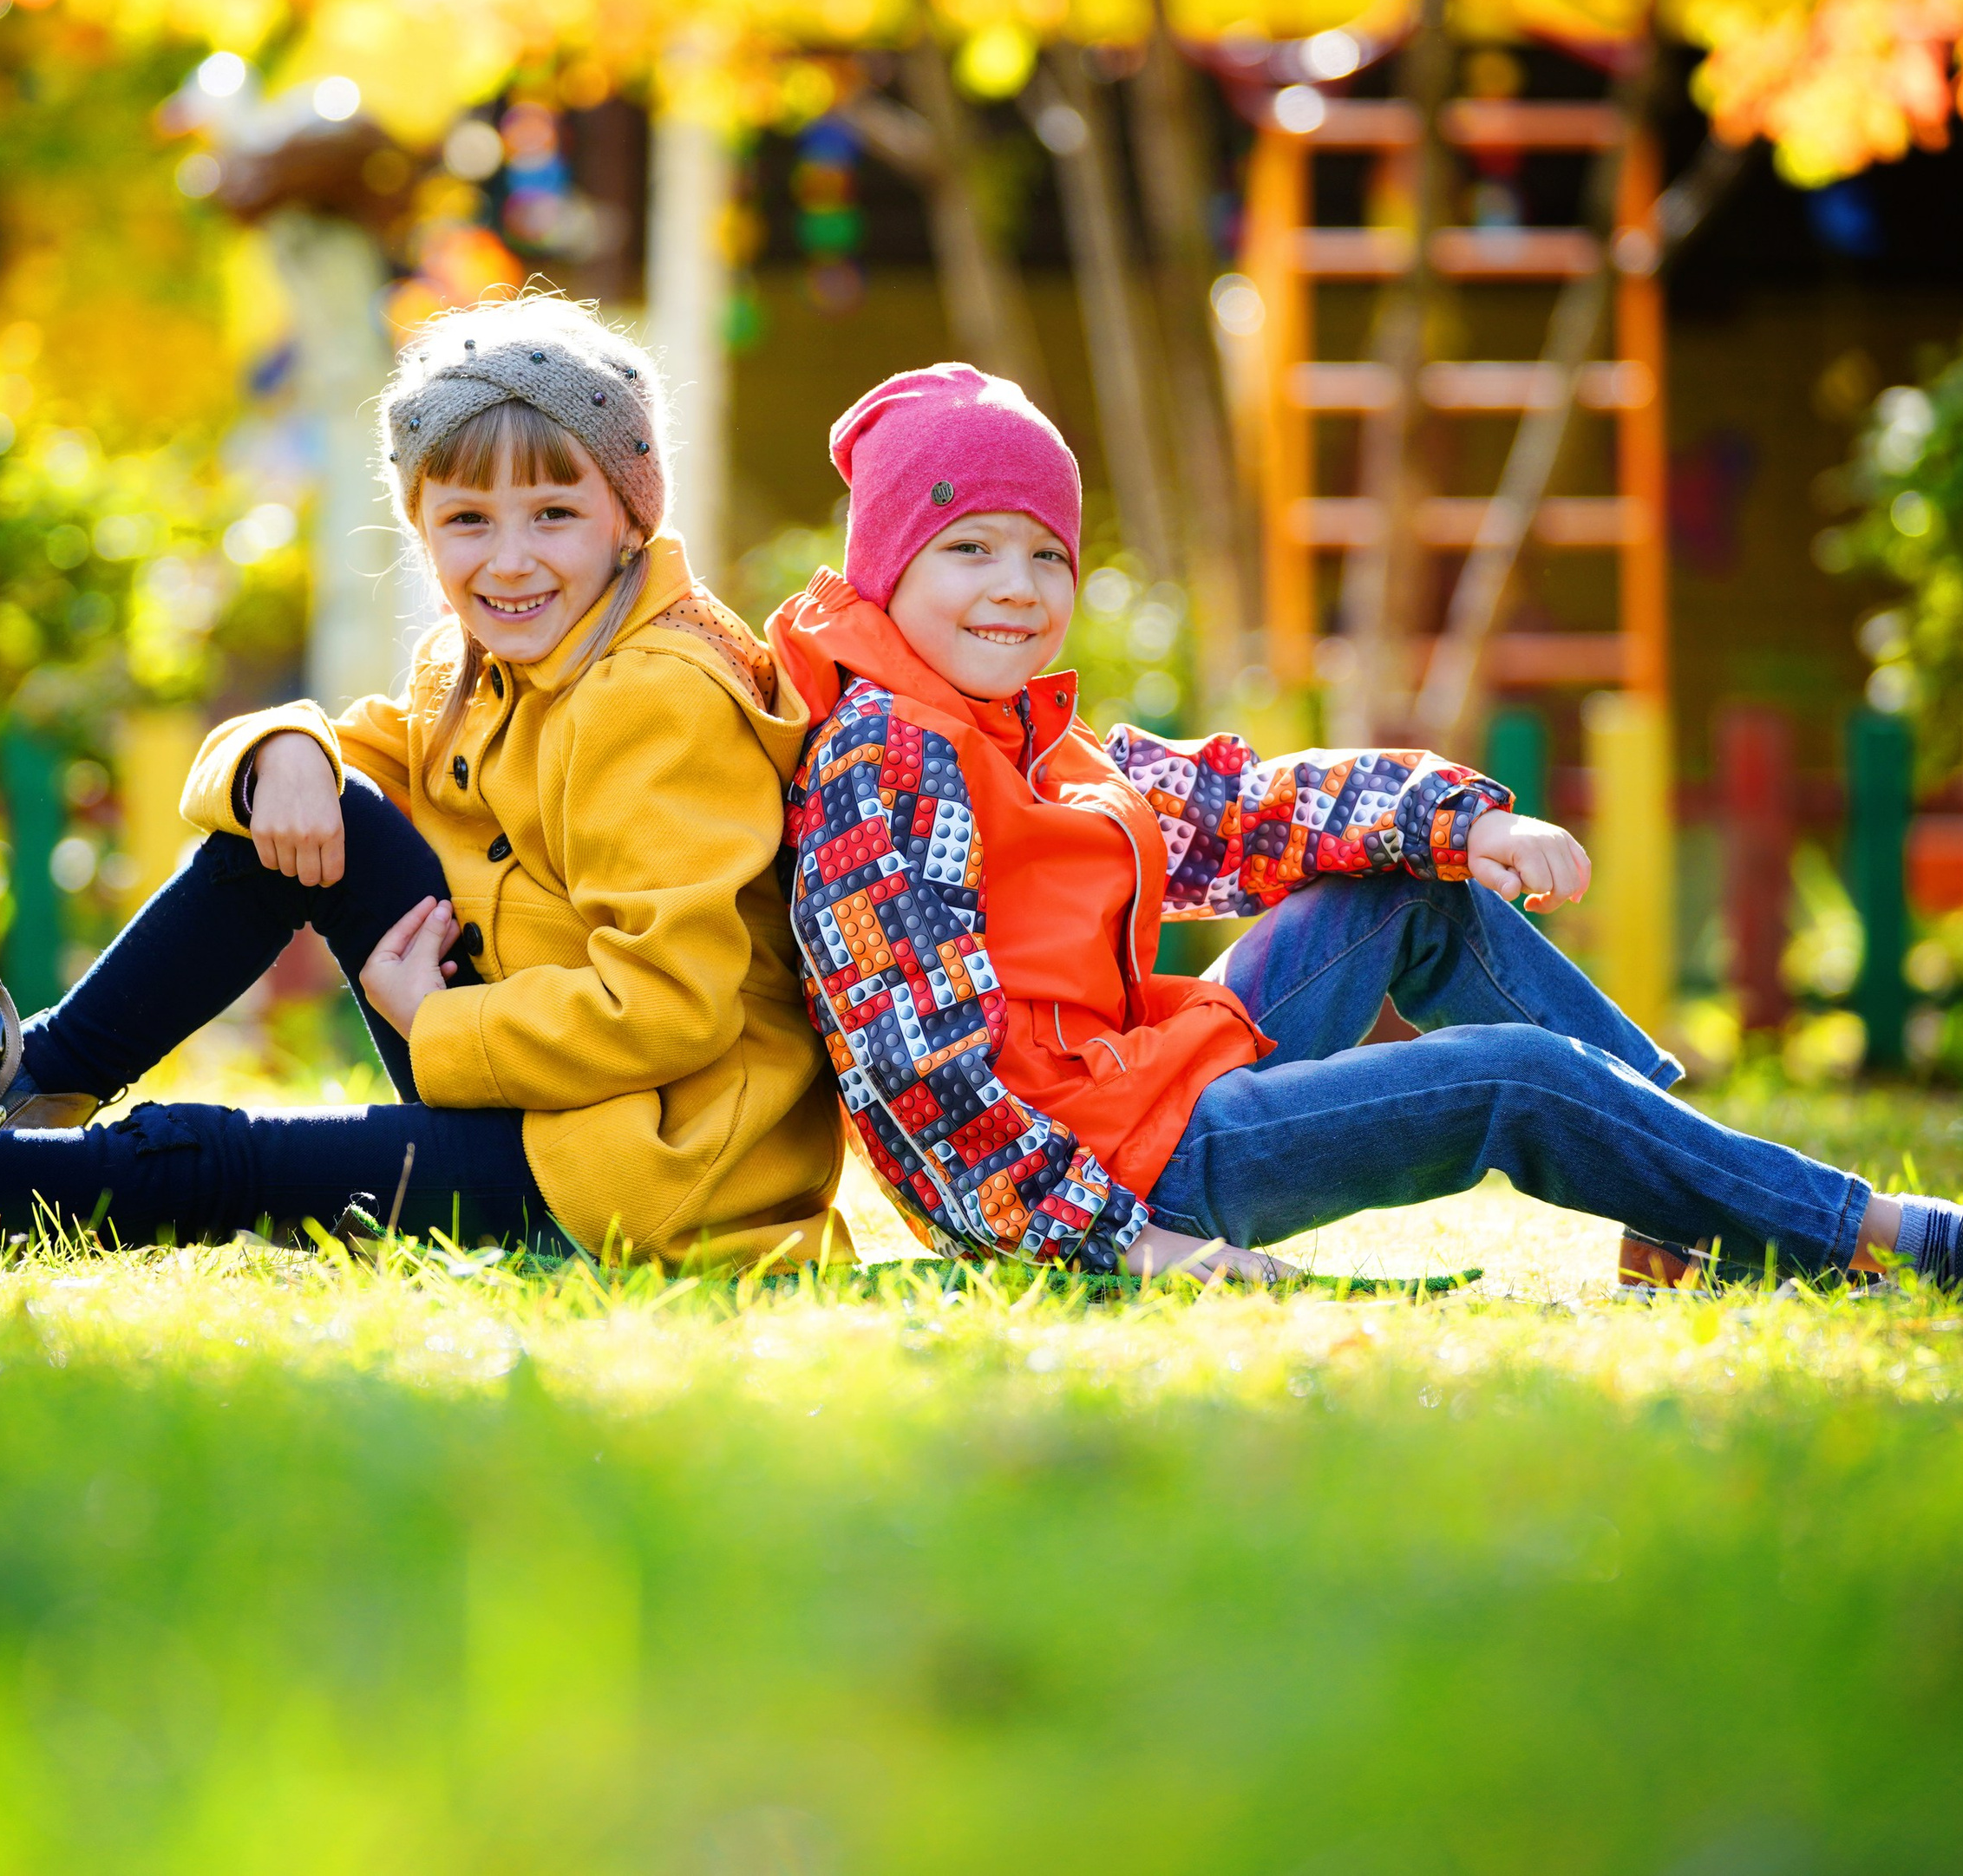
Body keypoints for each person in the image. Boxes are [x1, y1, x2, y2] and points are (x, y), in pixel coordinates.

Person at [766, 363, 1963, 1291]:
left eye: (1044, 552)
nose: (1017, 586)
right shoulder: (889, 759)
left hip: (1143, 1089)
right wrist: (1129, 1246)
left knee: (1409, 882)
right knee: (1522, 1082)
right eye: (967, 548)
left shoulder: (1016, 730)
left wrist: (1456, 824)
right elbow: (914, 1071)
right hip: (1119, 1173)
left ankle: (1680, 1199)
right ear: (885, 570)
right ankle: (1864, 1232)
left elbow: (1236, 808)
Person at [0, 296, 847, 1268]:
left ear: (628, 519)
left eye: (552, 513)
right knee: (308, 811)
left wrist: (439, 1023)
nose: (509, 559)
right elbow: (330, 776)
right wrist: (285, 750)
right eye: (467, 520)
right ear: (422, 531)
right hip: (552, 1100)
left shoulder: (654, 696)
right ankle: (19, 1096)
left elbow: (673, 1008)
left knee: (215, 1157)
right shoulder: (492, 668)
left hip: (650, 1172)